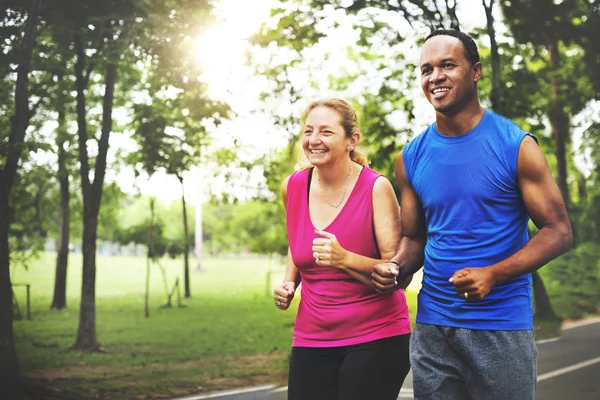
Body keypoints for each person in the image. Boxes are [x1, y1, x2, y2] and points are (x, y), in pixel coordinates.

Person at [371, 29, 573, 400]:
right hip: (433, 328)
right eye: (426, 69)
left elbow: (558, 230)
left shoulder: (516, 146)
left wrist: (494, 274)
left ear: (476, 71)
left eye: (448, 65)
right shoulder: (411, 157)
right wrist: (396, 268)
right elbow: (414, 239)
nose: (435, 77)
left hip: (500, 327)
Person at [273, 98, 412, 400]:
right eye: (308, 131)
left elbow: (395, 271)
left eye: (326, 132)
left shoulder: (376, 188)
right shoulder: (293, 186)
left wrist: (344, 258)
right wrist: (288, 282)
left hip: (377, 336)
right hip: (312, 337)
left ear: (352, 140)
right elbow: (297, 243)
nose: (314, 140)